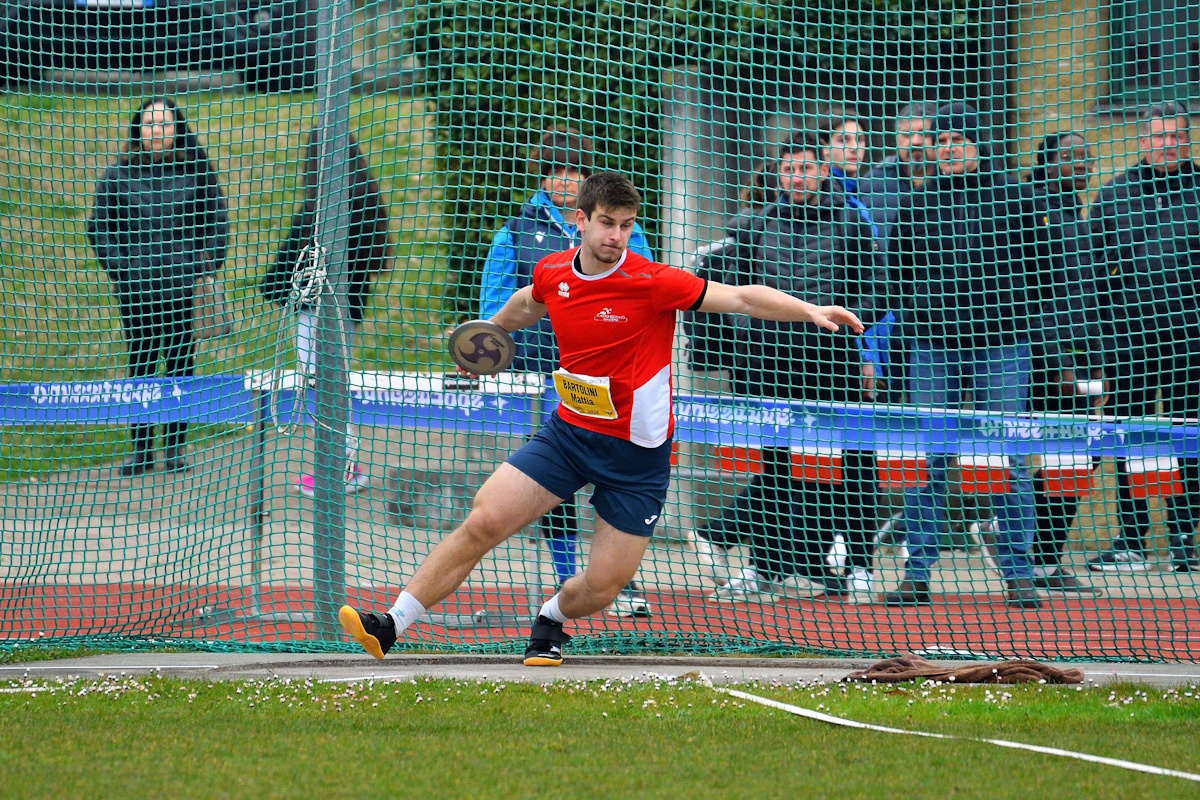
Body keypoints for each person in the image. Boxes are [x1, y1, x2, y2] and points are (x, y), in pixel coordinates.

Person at [338, 171, 864, 666]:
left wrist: (810, 310)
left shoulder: (654, 281)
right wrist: (487, 339)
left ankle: (551, 619)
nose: (617, 236)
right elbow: (526, 302)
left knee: (604, 586)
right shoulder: (554, 272)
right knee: (483, 520)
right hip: (568, 435)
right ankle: (389, 624)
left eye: (626, 225)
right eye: (607, 223)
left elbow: (742, 298)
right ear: (581, 221)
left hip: (637, 457)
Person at [685, 133, 886, 604]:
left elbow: (878, 288)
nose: (799, 176)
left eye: (808, 167)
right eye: (790, 168)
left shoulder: (850, 223)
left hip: (832, 363)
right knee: (774, 467)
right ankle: (765, 569)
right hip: (765, 366)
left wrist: (850, 323)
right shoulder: (752, 227)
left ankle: (859, 566)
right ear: (779, 173)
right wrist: (744, 335)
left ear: (822, 171)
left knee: (854, 462)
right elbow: (726, 291)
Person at [881, 102, 1062, 609]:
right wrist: (917, 323)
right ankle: (918, 574)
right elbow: (898, 277)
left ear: (979, 143)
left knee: (1007, 456)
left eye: (958, 138)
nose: (948, 147)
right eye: (940, 141)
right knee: (927, 461)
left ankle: (1018, 573)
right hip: (933, 347)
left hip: (1003, 345)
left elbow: (1047, 271)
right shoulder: (915, 208)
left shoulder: (1018, 199)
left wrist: (1027, 325)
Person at [478, 128, 655, 617]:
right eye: (556, 172)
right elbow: (497, 306)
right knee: (552, 488)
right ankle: (563, 579)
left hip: (611, 379)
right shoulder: (515, 231)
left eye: (574, 172)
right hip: (543, 381)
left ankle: (616, 583)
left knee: (616, 483)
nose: (565, 181)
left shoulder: (622, 232)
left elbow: (646, 293)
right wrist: (488, 354)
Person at [1085, 102, 1200, 574]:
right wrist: (1097, 343)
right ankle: (1131, 540)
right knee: (1127, 439)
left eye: (1175, 135)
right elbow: (1090, 274)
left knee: (1185, 440)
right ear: (1142, 140)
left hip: (1191, 344)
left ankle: (1181, 540)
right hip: (1127, 343)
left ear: (1188, 139)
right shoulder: (1115, 195)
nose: (1167, 144)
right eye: (1158, 136)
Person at [88, 97, 228, 476]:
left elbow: (217, 223)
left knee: (181, 368)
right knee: (143, 366)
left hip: (185, 291)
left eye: (165, 123)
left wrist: (202, 264)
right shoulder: (117, 175)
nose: (157, 131)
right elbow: (99, 228)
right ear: (138, 129)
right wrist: (124, 268)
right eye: (150, 123)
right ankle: (142, 451)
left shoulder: (197, 172)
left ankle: (176, 450)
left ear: (177, 129)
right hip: (138, 292)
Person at [259, 129, 393, 498]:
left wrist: (274, 287)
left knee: (324, 385)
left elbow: (287, 265)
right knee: (330, 384)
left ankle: (341, 468)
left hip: (319, 313)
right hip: (345, 311)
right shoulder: (364, 200)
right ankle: (342, 465)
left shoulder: (325, 209)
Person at [1024, 132, 1105, 592]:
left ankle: (1045, 558)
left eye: (1086, 156)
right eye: (1071, 156)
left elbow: (1087, 297)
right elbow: (1032, 295)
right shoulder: (1033, 210)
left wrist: (1098, 361)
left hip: (1080, 355)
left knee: (1078, 456)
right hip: (1041, 359)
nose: (1082, 163)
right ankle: (1018, 538)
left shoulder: (1080, 215)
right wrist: (1057, 361)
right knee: (1058, 453)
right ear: (1049, 161)